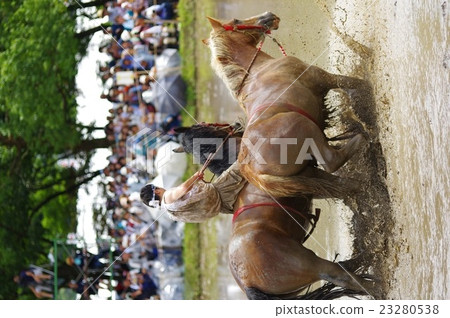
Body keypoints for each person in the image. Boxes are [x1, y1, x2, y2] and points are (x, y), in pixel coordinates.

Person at [140, 160, 246, 223]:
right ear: (157, 191)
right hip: (220, 192)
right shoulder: (167, 197)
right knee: (244, 161)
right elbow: (183, 189)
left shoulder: (171, 214)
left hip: (222, 207)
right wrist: (195, 177)